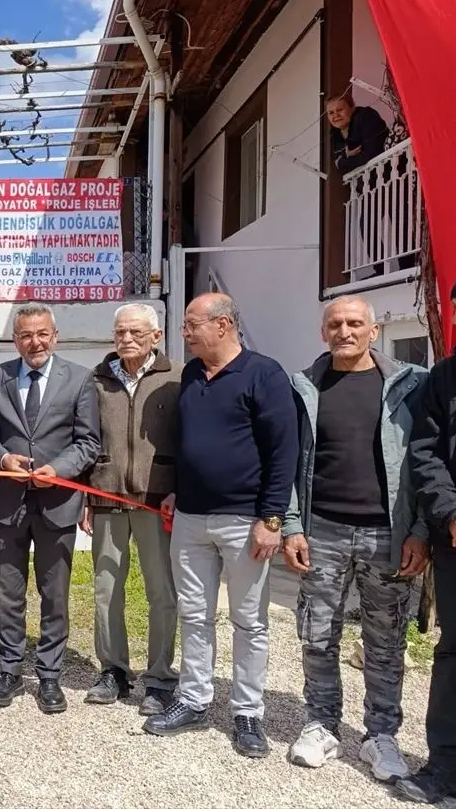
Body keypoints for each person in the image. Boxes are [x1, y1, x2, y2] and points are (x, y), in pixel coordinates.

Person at [143, 293, 297, 759]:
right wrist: (177, 490)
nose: (185, 333)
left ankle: (247, 712)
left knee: (248, 620)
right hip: (190, 518)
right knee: (194, 614)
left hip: (245, 520)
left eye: (192, 325)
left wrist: (272, 519)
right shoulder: (192, 373)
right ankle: (193, 699)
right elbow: (190, 443)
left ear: (223, 325)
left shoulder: (265, 374)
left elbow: (283, 452)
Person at [281, 296, 428, 783]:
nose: (345, 331)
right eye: (335, 324)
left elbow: (425, 462)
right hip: (321, 530)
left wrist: (420, 531)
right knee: (317, 633)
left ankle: (381, 735)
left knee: (385, 640)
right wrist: (291, 525)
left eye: (354, 323)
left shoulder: (409, 386)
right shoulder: (304, 387)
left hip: (388, 534)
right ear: (323, 332)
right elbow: (287, 463)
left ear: (374, 330)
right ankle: (321, 724)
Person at [0, 304, 101, 713]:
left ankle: (49, 675)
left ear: (55, 336)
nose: (35, 342)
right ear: (15, 340)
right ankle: (9, 670)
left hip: (57, 504)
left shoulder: (80, 379)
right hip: (6, 504)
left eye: (42, 333)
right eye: (26, 335)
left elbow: (88, 441)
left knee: (55, 594)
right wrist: (2, 458)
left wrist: (60, 470)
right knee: (8, 593)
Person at [395, 261, 456, 805]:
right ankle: (449, 771)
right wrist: (452, 515)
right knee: (455, 655)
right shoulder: (448, 376)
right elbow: (425, 454)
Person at [82, 303, 180, 716]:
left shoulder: (177, 379)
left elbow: (188, 439)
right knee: (106, 589)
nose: (126, 339)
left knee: (162, 591)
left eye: (136, 332)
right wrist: (87, 498)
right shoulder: (95, 380)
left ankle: (160, 678)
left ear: (156, 336)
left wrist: (179, 489)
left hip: (157, 501)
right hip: (106, 497)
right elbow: (85, 439)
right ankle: (113, 671)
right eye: (120, 332)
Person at [327, 93, 389, 175]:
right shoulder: (335, 134)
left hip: (387, 172)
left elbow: (371, 153)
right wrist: (345, 158)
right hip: (366, 179)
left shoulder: (366, 116)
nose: (336, 115)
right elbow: (339, 168)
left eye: (340, 110)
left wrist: (342, 161)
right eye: (331, 113)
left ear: (352, 108)